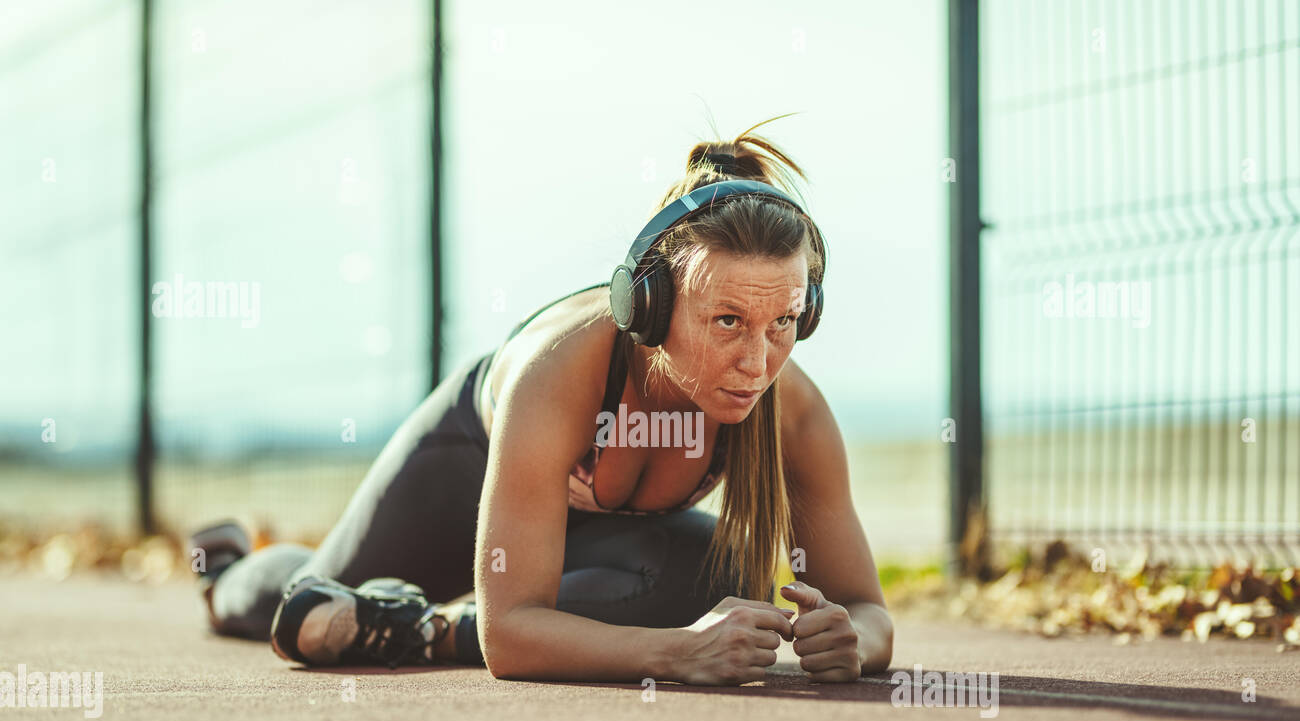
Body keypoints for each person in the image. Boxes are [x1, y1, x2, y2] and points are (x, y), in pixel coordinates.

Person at [190, 116, 894, 685]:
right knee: (304, 605)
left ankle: (422, 627)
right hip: (458, 475)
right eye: (728, 322)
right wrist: (678, 652)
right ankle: (228, 570)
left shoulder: (792, 409)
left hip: (579, 541)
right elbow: (511, 638)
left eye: (784, 323)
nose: (757, 361)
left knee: (731, 577)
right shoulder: (557, 373)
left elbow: (868, 609)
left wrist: (850, 640)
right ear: (648, 307)